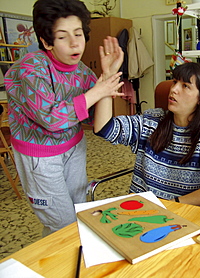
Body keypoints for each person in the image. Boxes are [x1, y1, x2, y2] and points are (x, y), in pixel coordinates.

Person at [4, 0, 124, 236]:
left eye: (78, 34)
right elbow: (52, 119)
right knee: (62, 224)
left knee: (79, 212)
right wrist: (98, 90)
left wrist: (108, 77)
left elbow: (100, 123)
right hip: (41, 156)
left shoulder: (82, 72)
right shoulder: (30, 69)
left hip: (74, 148)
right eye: (62, 36)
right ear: (46, 41)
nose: (74, 43)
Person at [94, 62, 200, 206]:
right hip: (138, 212)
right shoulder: (152, 121)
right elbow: (104, 128)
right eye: (174, 82)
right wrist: (107, 79)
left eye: (185, 86)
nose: (173, 89)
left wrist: (172, 205)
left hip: (180, 216)